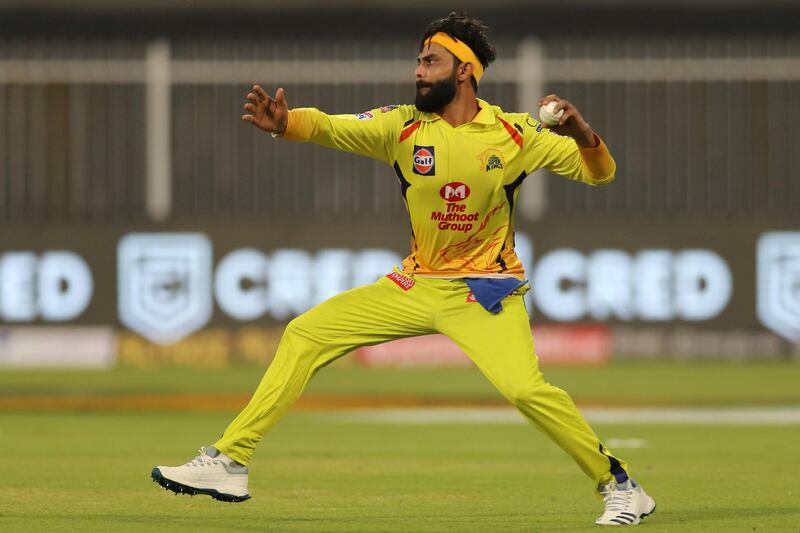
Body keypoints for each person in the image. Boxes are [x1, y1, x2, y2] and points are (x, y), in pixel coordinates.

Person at [151, 11, 656, 527]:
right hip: (415, 283)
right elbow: (334, 127)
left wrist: (582, 131)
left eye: (430, 60)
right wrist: (287, 124)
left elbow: (601, 175)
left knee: (526, 391)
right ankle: (230, 461)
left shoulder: (517, 133)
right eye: (418, 60)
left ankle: (620, 486)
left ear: (464, 71)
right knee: (306, 333)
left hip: (484, 291)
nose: (418, 70)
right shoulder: (403, 126)